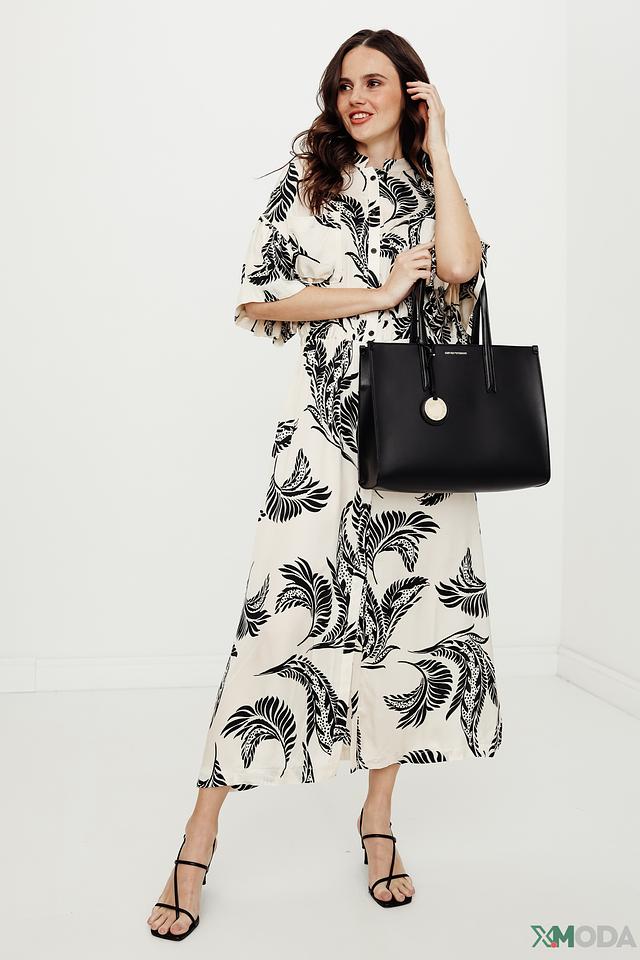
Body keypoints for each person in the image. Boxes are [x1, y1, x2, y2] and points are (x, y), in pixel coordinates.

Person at [147, 27, 503, 940]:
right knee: (277, 623)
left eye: (375, 82)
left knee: (405, 632)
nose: (356, 97)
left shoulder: (433, 186)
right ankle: (197, 837)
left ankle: (378, 822)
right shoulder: (309, 179)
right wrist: (376, 295)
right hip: (323, 440)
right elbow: (259, 296)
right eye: (345, 85)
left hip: (421, 452)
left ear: (410, 93)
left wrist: (442, 146)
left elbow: (462, 268)